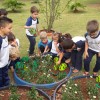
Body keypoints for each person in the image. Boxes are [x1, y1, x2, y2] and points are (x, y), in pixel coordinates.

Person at [0, 17, 13, 87]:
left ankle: (7, 88)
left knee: (6, 80)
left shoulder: (6, 36)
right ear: (2, 28)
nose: (11, 30)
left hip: (5, 65)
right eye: (9, 28)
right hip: (0, 67)